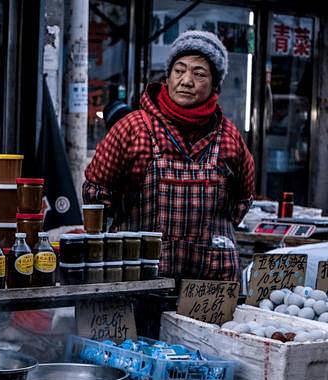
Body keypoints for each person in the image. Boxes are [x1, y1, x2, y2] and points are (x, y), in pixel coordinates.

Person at [83, 30, 255, 281]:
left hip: (208, 286)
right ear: (168, 75)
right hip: (139, 279)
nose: (186, 80)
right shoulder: (132, 129)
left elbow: (242, 199)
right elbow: (95, 194)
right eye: (179, 70)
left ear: (215, 84)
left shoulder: (229, 137)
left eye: (199, 74)